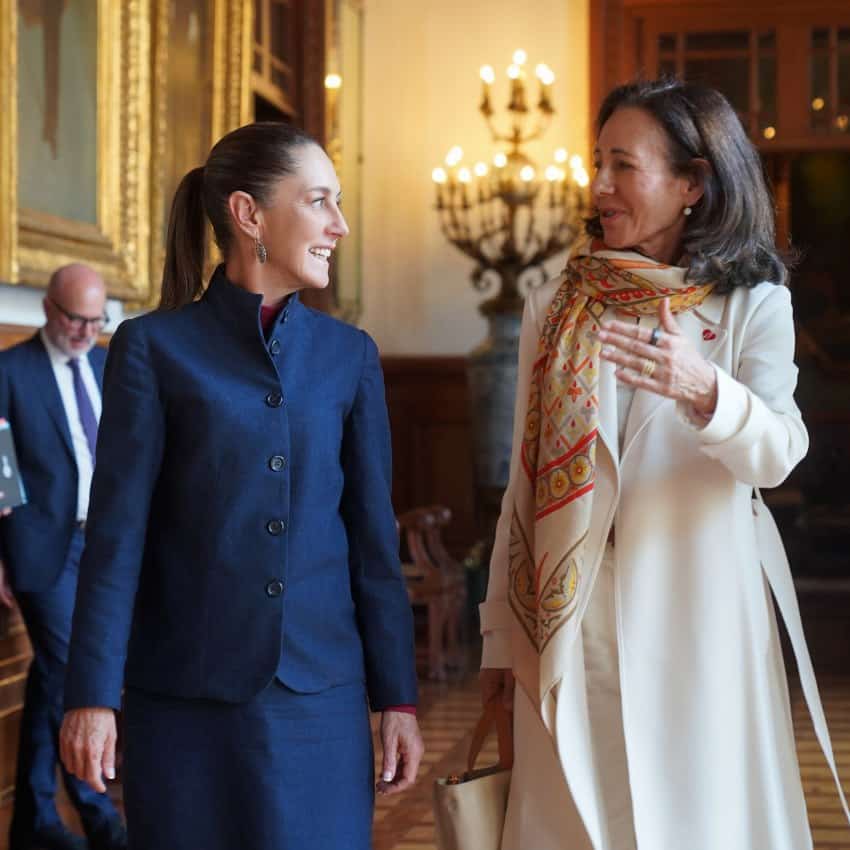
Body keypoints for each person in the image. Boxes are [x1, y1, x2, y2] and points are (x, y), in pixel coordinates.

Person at [479, 78, 847, 850]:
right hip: (566, 612)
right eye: (597, 162)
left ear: (692, 184)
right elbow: (523, 480)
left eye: (624, 166)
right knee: (579, 820)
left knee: (697, 820)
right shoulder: (558, 302)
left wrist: (706, 390)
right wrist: (496, 640)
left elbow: (779, 454)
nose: (600, 185)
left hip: (698, 610)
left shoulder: (754, 302)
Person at [57, 122, 423, 850]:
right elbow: (116, 539)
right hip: (184, 703)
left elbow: (373, 546)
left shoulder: (350, 356)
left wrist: (399, 699)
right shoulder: (153, 349)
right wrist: (92, 695)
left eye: (338, 203)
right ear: (248, 214)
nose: (338, 226)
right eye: (319, 201)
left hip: (320, 701)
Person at [0, 265, 127, 850]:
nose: (84, 331)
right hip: (41, 547)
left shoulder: (108, 364)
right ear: (49, 309)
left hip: (105, 545)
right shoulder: (10, 370)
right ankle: (101, 819)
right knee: (74, 669)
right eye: (75, 318)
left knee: (54, 675)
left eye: (96, 320)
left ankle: (33, 818)